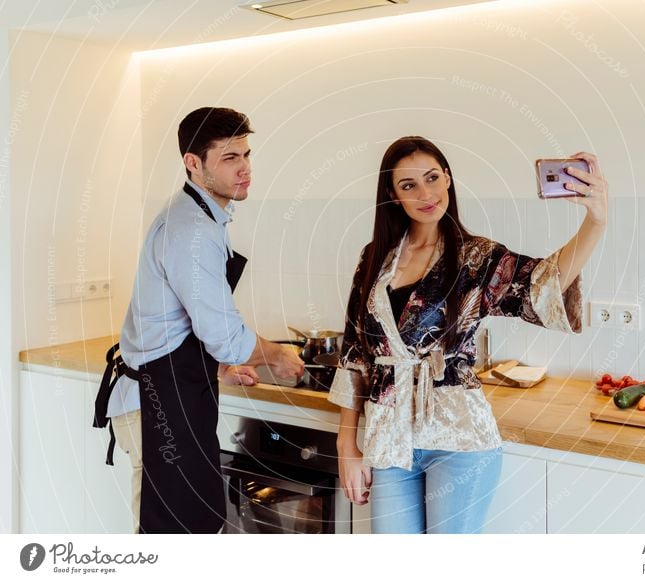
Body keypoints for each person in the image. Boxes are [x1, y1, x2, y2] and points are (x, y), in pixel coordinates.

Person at [328, 136, 607, 533]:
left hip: (459, 438)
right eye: (409, 185)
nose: (426, 193)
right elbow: (355, 353)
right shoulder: (374, 258)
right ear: (393, 195)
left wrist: (596, 220)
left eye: (432, 178)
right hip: (389, 437)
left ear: (448, 179)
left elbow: (544, 283)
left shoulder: (478, 258)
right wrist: (346, 444)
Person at [92, 107, 304, 534]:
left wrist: (220, 366)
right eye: (229, 158)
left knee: (189, 530)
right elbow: (225, 335)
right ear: (193, 163)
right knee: (173, 539)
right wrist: (276, 356)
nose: (244, 169)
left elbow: (185, 324)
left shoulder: (201, 215)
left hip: (172, 394)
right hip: (157, 406)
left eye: (246, 155)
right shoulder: (191, 229)